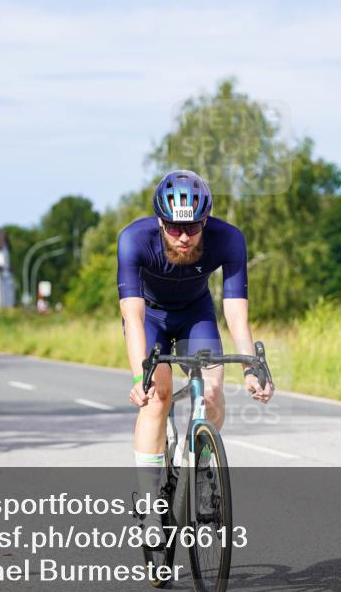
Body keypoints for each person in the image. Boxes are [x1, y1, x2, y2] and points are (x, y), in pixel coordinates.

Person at [117, 170, 273, 533]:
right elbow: (133, 316)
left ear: (206, 220)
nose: (184, 237)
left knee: (214, 390)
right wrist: (141, 377)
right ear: (160, 221)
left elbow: (235, 311)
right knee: (157, 397)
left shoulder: (229, 238)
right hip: (151, 317)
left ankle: (202, 469)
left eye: (193, 227)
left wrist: (251, 367)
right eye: (173, 228)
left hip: (195, 315)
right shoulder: (134, 239)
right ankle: (150, 502)